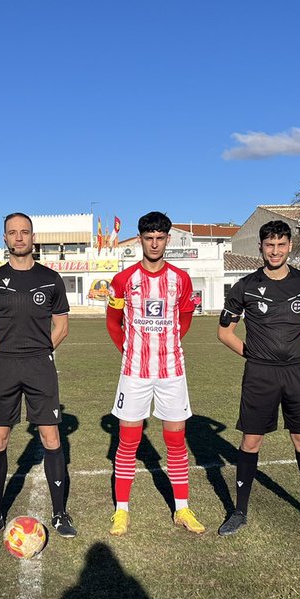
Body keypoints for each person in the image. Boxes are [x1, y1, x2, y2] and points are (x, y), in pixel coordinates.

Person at [215, 220, 300, 538]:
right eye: (269, 245)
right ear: (261, 247)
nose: (275, 251)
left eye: (281, 244)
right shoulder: (245, 285)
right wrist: (253, 355)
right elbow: (224, 333)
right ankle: (239, 512)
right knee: (251, 440)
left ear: (289, 246)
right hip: (260, 375)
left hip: (298, 373)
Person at [0, 213, 76, 540]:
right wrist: (6, 351)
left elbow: (61, 326)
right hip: (3, 366)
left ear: (33, 237)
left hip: (40, 366)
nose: (19, 238)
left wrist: (42, 350)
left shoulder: (50, 279)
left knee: (51, 438)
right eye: (12, 233)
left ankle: (60, 514)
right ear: (4, 238)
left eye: (25, 232)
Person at [105, 211, 204, 536]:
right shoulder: (123, 280)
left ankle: (182, 509)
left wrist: (168, 344)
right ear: (140, 240)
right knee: (128, 441)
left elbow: (186, 318)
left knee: (176, 440)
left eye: (160, 238)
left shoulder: (181, 279)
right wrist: (130, 349)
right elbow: (112, 321)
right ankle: (122, 511)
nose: (154, 243)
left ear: (167, 239)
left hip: (172, 371)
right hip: (134, 372)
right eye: (149, 238)